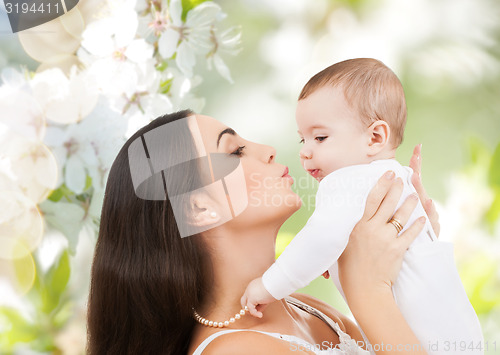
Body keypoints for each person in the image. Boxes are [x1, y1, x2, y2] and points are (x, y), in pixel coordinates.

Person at [86, 110, 437, 355]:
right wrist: (369, 292)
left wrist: (409, 259)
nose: (268, 151)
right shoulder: (234, 351)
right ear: (198, 208)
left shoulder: (306, 309)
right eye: (236, 151)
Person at [240, 58, 483, 354]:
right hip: (456, 331)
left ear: (375, 137)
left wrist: (268, 286)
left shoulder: (345, 180)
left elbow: (322, 238)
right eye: (302, 139)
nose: (304, 152)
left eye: (320, 137)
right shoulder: (395, 176)